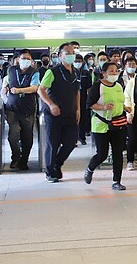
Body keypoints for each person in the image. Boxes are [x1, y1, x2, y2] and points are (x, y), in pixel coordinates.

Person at [37, 43, 81, 183]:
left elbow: (77, 92)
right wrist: (51, 104)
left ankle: (57, 163)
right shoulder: (53, 71)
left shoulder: (75, 72)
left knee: (71, 142)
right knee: (53, 143)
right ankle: (50, 172)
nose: (70, 55)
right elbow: (41, 90)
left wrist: (78, 108)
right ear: (60, 55)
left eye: (72, 52)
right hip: (54, 114)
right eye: (67, 53)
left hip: (70, 113)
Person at [84, 62, 127, 190]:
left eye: (116, 71)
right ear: (103, 73)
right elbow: (89, 104)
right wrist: (103, 107)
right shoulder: (97, 87)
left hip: (118, 123)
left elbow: (119, 101)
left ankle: (116, 181)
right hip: (101, 124)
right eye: (111, 71)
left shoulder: (119, 85)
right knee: (102, 154)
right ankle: (90, 169)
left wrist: (125, 108)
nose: (114, 73)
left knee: (118, 153)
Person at [2, 49, 39, 170]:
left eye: (28, 59)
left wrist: (20, 90)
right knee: (13, 134)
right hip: (12, 109)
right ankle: (16, 157)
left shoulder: (34, 72)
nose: (26, 61)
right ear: (18, 59)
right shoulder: (12, 70)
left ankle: (24, 160)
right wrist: (5, 91)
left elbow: (34, 88)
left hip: (27, 110)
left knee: (27, 137)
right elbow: (6, 83)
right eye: (23, 58)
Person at [74, 54, 92, 144]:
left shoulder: (86, 73)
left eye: (79, 61)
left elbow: (89, 87)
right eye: (75, 61)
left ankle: (82, 137)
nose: (77, 63)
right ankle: (74, 139)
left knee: (83, 118)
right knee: (74, 119)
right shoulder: (71, 72)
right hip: (72, 99)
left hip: (84, 98)